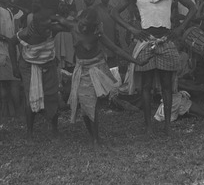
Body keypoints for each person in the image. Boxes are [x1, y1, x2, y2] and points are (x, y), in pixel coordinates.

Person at [113, 0, 197, 136]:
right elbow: (114, 12)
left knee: (168, 86)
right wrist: (132, 30)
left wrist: (180, 28)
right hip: (146, 42)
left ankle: (167, 126)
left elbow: (193, 8)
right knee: (146, 86)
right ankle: (148, 126)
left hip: (166, 40)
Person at [52, 8, 147, 147]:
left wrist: (136, 61)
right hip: (81, 69)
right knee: (85, 107)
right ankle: (92, 135)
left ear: (93, 25)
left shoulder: (97, 34)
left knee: (91, 104)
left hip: (96, 69)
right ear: (79, 20)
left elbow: (116, 49)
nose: (84, 27)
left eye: (87, 25)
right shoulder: (72, 26)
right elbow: (55, 17)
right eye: (82, 24)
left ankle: (96, 138)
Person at [9, 6, 66, 141]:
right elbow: (11, 43)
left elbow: (72, 26)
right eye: (45, 28)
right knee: (31, 98)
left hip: (49, 64)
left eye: (49, 27)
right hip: (29, 66)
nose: (48, 31)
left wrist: (57, 18)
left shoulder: (52, 29)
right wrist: (14, 67)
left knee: (52, 96)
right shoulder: (25, 33)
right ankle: (30, 132)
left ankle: (54, 129)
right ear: (36, 25)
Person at [94, 0, 119, 66]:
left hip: (112, 42)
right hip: (100, 44)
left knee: (113, 68)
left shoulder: (113, 10)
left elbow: (116, 28)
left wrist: (117, 41)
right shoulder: (95, 9)